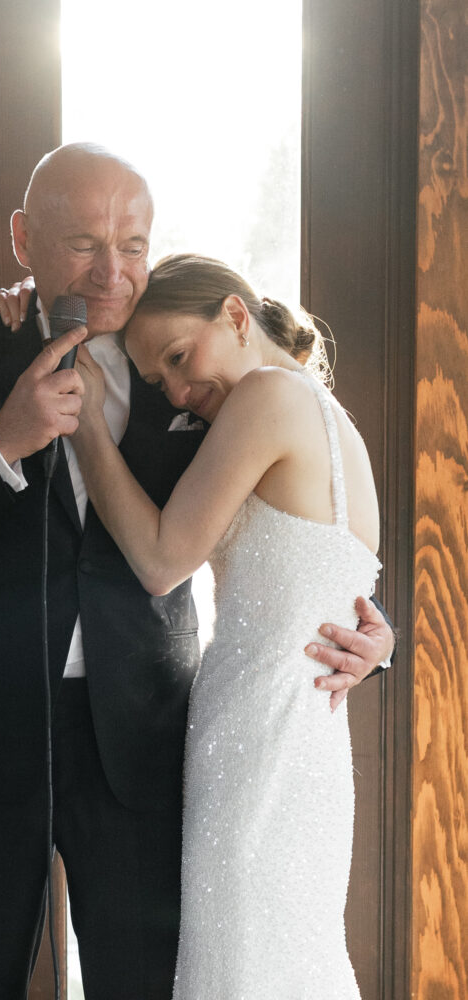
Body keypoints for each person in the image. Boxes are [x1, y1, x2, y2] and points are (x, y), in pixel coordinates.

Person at [0, 144, 393, 1000]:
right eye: (82, 245)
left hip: (147, 740)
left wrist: (370, 631)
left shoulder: (194, 375)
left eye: (131, 245)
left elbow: (298, 511)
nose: (111, 271)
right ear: (24, 239)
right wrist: (0, 443)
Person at [67, 252, 381, 998]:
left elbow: (159, 560)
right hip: (304, 741)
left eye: (179, 357)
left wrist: (84, 429)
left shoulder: (267, 395)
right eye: (157, 382)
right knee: (279, 954)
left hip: (255, 739)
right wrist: (381, 639)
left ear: (236, 315)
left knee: (241, 960)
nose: (177, 391)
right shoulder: (331, 418)